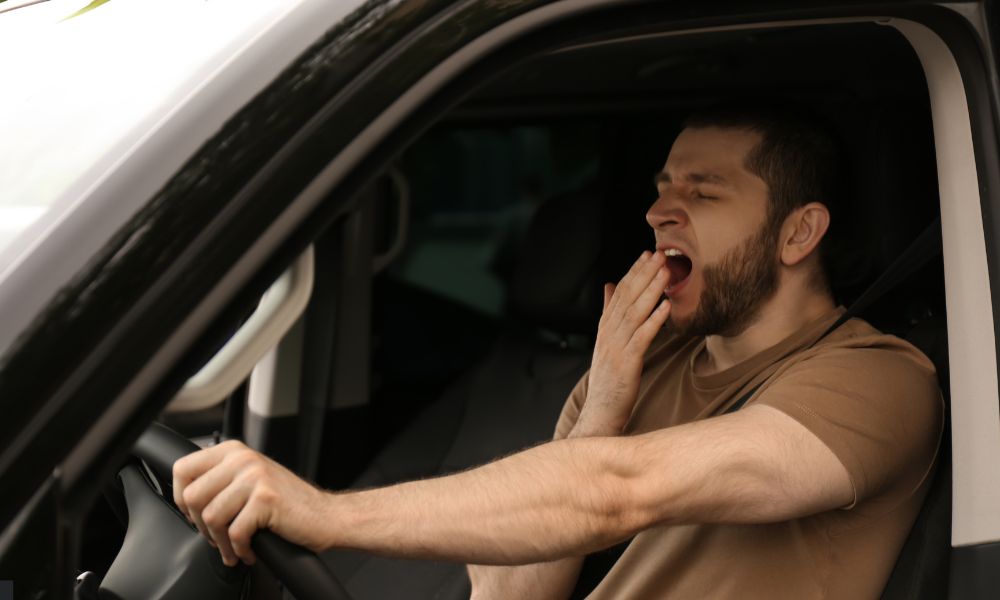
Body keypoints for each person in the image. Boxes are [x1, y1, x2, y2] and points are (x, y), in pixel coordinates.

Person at [172, 109, 943, 599]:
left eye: (704, 192)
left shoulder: (876, 381)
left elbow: (616, 491)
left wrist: (325, 515)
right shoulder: (638, 365)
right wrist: (602, 403)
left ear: (799, 233)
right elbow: (512, 596)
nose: (658, 211)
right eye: (662, 187)